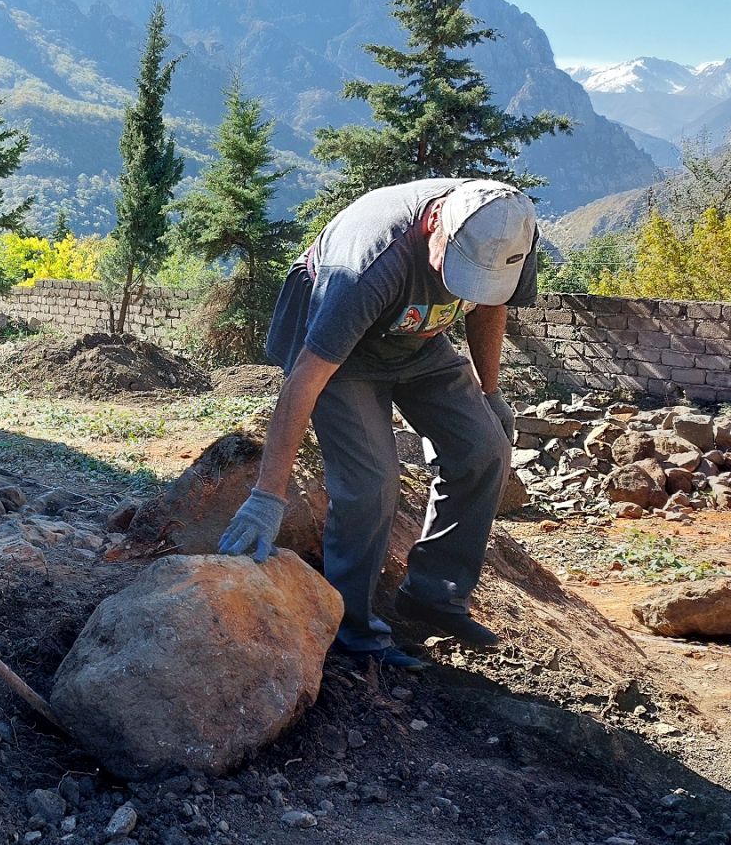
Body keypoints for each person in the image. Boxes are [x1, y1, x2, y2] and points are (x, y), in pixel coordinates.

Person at [218, 178, 538, 670]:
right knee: (371, 482)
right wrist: (267, 495)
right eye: (457, 270)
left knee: (484, 449)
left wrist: (490, 395)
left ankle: (434, 595)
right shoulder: (366, 264)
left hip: (417, 336)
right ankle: (355, 631)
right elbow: (306, 377)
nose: (465, 283)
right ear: (435, 224)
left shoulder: (509, 230)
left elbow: (492, 304)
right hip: (338, 353)